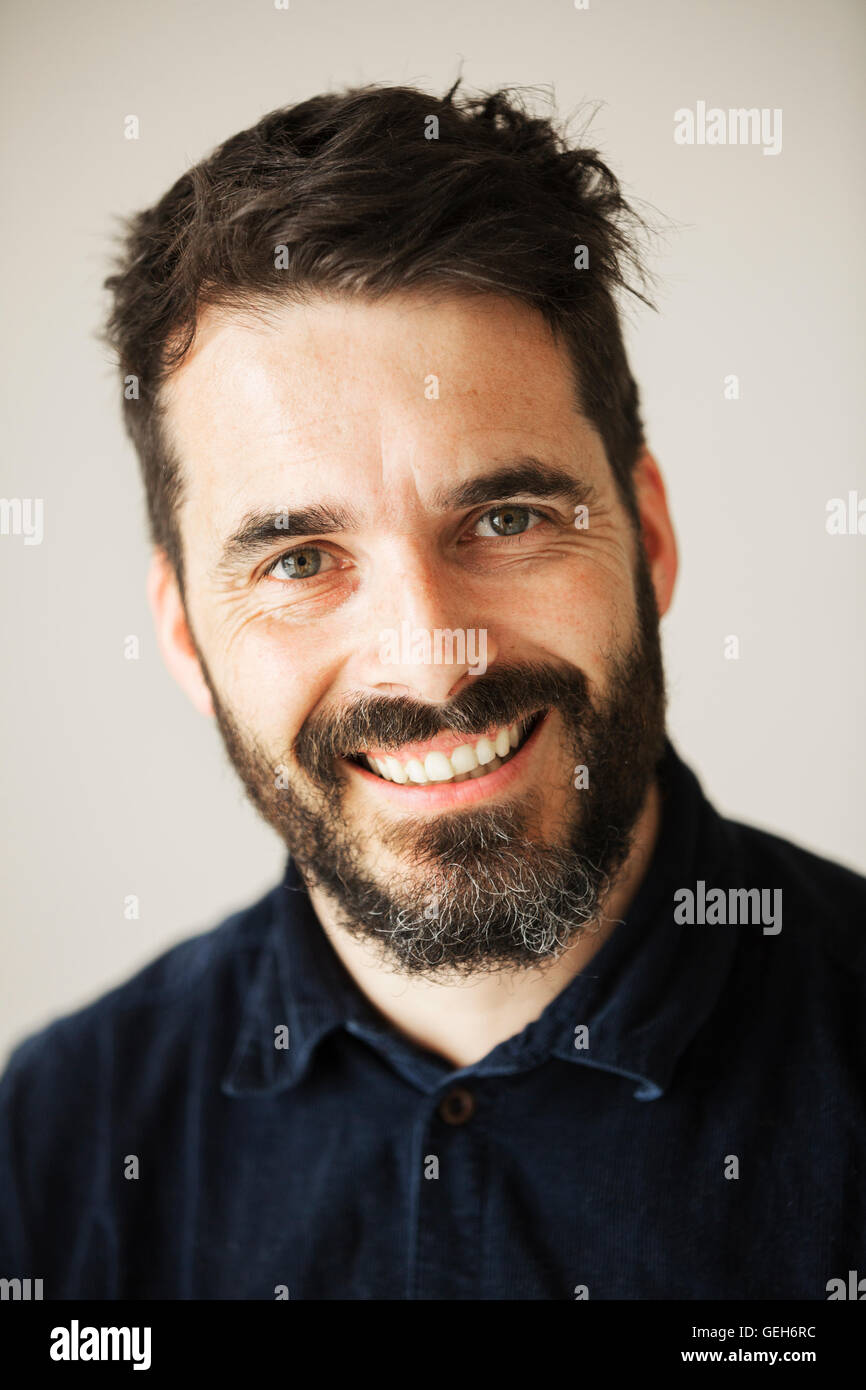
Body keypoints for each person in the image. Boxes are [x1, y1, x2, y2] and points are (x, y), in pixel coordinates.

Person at [1, 81, 863, 1301]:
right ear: (185, 634)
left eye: (504, 517)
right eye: (298, 560)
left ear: (648, 535)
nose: (431, 656)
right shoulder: (56, 1146)